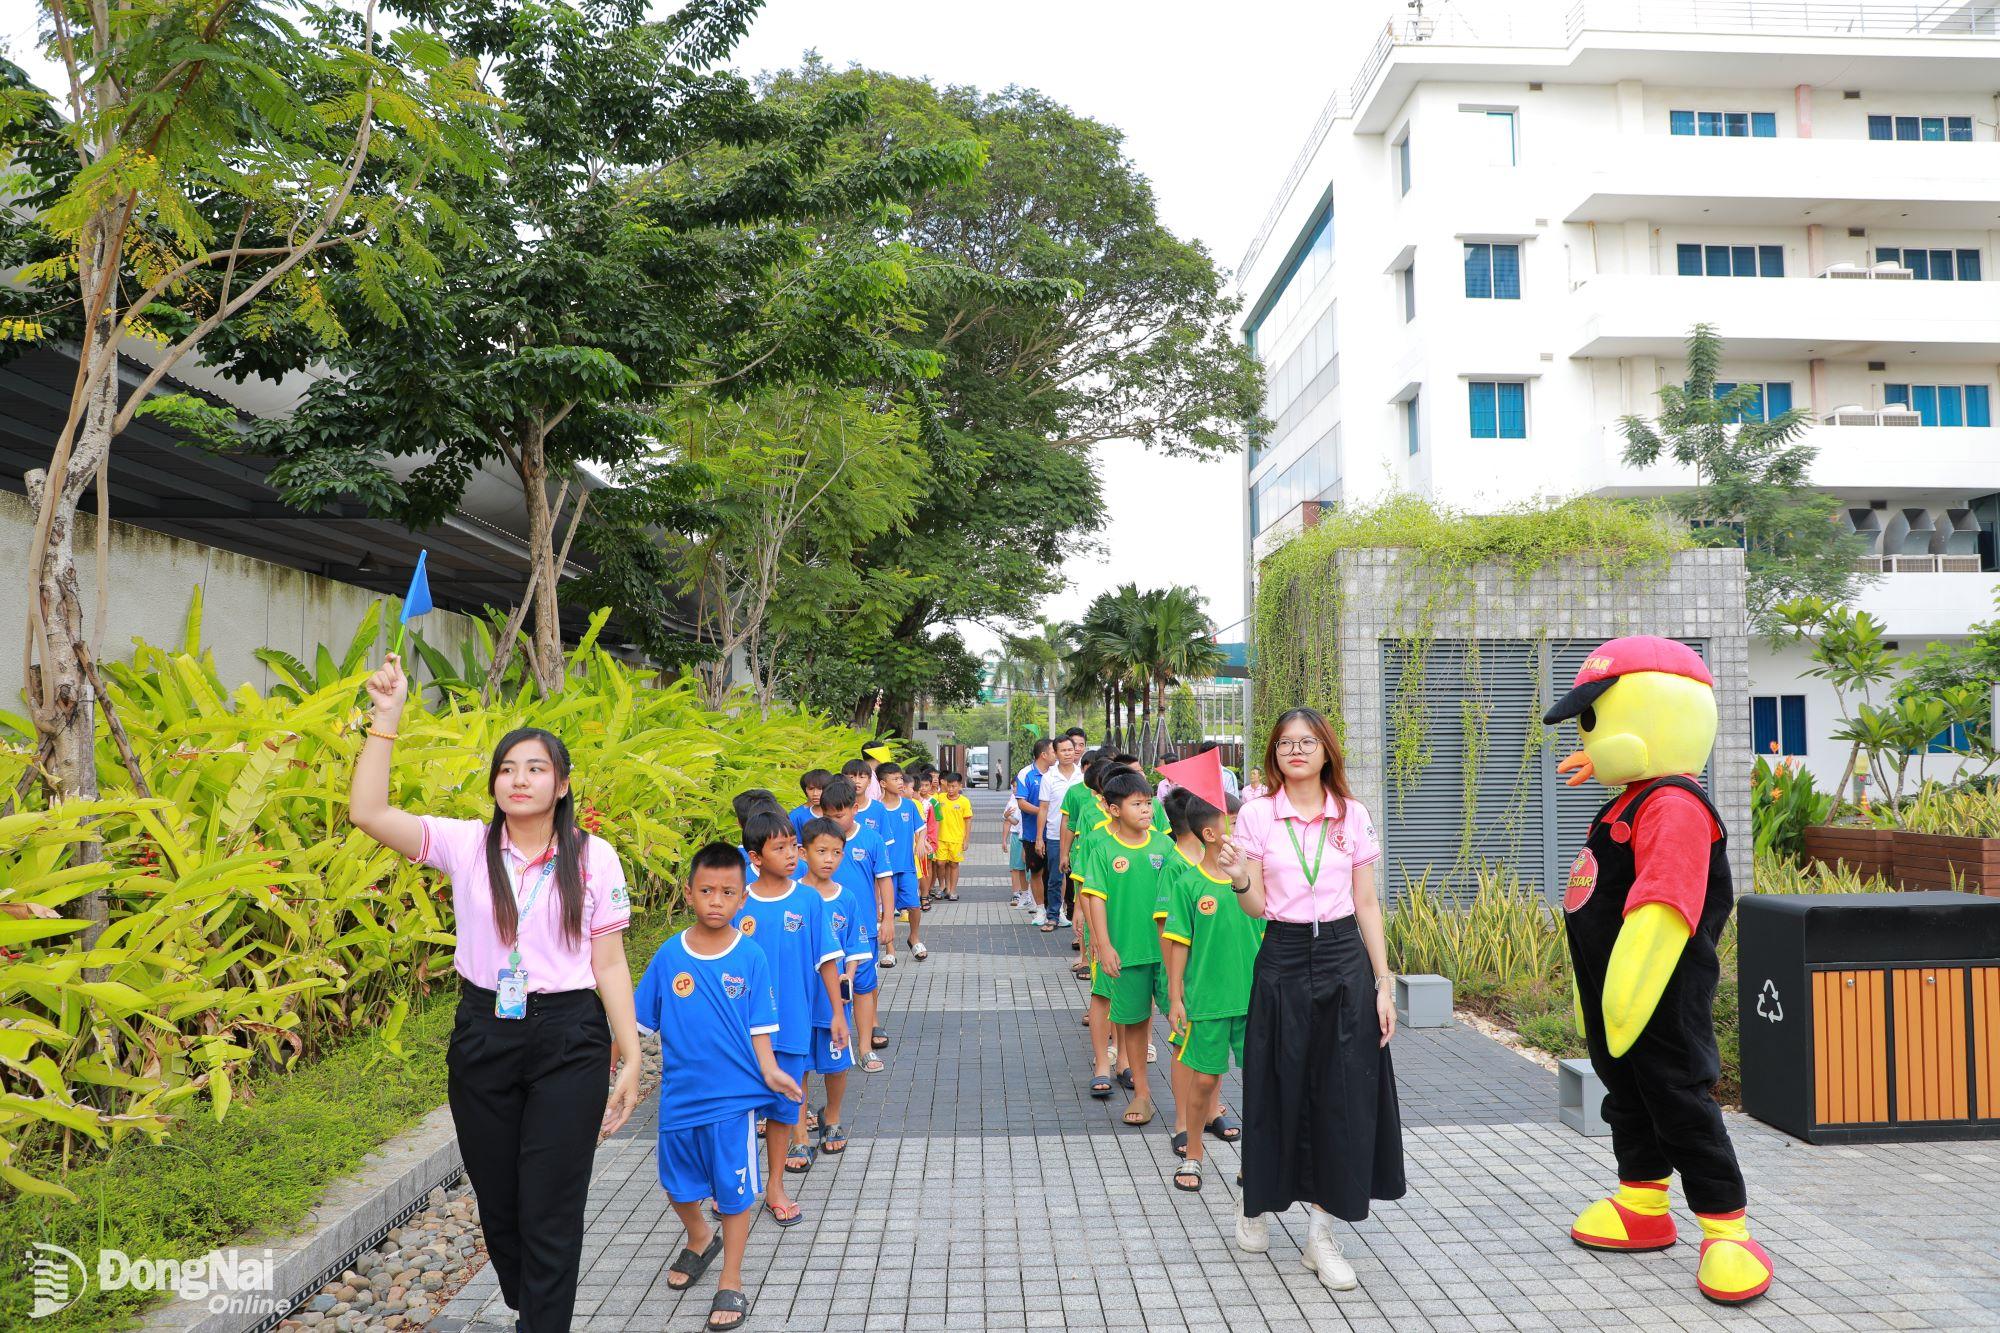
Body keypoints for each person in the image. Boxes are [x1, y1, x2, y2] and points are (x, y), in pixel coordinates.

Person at [348, 654, 642, 1333]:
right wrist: (385, 719)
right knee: (501, 1203)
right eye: (508, 767)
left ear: (562, 784)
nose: (520, 777)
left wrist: (629, 1054)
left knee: (553, 1204)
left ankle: (542, 1319)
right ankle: (529, 1298)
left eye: (536, 766)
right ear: (494, 783)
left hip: (570, 1036)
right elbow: (367, 811)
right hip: (484, 1030)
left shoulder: (595, 857)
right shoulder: (464, 844)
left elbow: (610, 963)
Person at [1224, 706, 1404, 1291]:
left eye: (1307, 742)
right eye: (1284, 744)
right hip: (1280, 956)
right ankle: (1257, 1204)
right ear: (1274, 755)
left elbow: (1368, 905)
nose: (1296, 751)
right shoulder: (1256, 815)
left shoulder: (1352, 815)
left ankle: (1321, 1232)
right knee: (1275, 1082)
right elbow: (1253, 907)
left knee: (1343, 1095)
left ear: (1327, 749)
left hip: (1343, 961)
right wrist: (1239, 878)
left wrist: (1383, 981)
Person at [633, 842, 803, 1332]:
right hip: (680, 1097)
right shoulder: (669, 955)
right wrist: (616, 1067)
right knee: (677, 1185)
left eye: (727, 892)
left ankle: (731, 1277)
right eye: (706, 890)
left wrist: (771, 1072)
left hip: (734, 1099)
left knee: (733, 1193)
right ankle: (698, 1237)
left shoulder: (750, 956)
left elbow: (760, 1026)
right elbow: (641, 1022)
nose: (716, 900)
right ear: (689, 893)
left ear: (742, 898)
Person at [734, 812, 844, 1226]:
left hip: (793, 1023)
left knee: (784, 1108)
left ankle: (776, 1185)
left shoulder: (808, 900)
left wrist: (837, 1013)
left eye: (792, 847)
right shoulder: (738, 899)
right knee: (737, 1109)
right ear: (755, 857)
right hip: (742, 1029)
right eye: (778, 848)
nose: (791, 856)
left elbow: (827, 961)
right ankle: (733, 1184)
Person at [1161, 789, 1259, 1194]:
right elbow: (1178, 942)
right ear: (1211, 833)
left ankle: (1256, 1160)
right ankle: (1194, 1154)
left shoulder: (1255, 879)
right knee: (1203, 1081)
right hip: (1207, 1002)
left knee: (1260, 1083)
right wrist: (1176, 997)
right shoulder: (1188, 883)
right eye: (1233, 823)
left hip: (1256, 1000)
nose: (1240, 830)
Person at [1075, 768, 1176, 1128]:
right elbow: (1094, 898)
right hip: (1127, 953)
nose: (1146, 810)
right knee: (1134, 1024)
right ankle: (1142, 1095)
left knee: (1184, 1023)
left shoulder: (1165, 846)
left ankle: (1203, 1100)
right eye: (1137, 804)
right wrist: (1102, 945)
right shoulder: (1102, 849)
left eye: (1148, 803)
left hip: (1169, 955)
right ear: (1115, 809)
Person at [797, 817, 868, 1159]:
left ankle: (833, 1116)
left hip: (833, 1001)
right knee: (797, 1065)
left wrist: (848, 978)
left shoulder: (847, 899)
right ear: (803, 853)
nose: (829, 859)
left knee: (836, 1063)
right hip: (797, 998)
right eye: (821, 851)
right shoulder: (791, 896)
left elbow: (854, 946)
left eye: (836, 852)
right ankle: (798, 1131)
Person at [813, 777, 892, 1068]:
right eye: (828, 815)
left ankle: (864, 1046)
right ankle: (830, 1049)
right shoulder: (816, 844)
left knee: (862, 986)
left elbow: (884, 881)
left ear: (855, 808)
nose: (833, 821)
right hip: (823, 932)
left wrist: (887, 921)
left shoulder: (871, 839)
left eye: (839, 815)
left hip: (862, 930)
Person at [871, 762, 927, 963]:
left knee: (914, 906)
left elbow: (920, 827)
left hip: (907, 867)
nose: (900, 783)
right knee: (887, 909)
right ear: (883, 784)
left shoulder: (909, 805)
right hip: (884, 870)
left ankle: (914, 937)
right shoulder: (876, 808)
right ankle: (890, 950)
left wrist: (921, 841)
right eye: (895, 779)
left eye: (901, 778)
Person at [1035, 737, 1084, 932]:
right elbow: (1043, 808)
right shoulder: (1049, 777)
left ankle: (1076, 916)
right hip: (1056, 834)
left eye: (1071, 749)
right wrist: (1040, 837)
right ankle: (1053, 915)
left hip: (1081, 834)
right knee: (1055, 877)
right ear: (1055, 753)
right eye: (1063, 750)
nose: (1068, 753)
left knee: (1080, 877)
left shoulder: (1082, 776)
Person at [1014, 738, 1054, 898]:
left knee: (1057, 873)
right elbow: (1022, 803)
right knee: (1036, 872)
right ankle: (1040, 909)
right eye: (1054, 751)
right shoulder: (1025, 774)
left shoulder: (1057, 773)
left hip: (1055, 833)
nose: (1057, 755)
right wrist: (1043, 812)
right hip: (1032, 834)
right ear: (1043, 755)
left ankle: (1057, 911)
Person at [934, 771, 972, 902]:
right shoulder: (940, 798)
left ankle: (952, 890)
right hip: (941, 838)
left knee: (954, 864)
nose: (951, 789)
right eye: (949, 786)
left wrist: (966, 840)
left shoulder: (964, 802)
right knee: (940, 863)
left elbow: (968, 821)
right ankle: (942, 886)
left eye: (954, 786)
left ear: (960, 786)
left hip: (956, 839)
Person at [1002, 788, 1030, 908]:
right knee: (1018, 867)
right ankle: (1021, 894)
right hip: (1019, 837)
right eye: (1013, 786)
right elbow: (1014, 821)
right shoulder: (1015, 802)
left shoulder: (1034, 800)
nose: (1015, 789)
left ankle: (1032, 897)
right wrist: (1006, 816)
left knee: (1031, 869)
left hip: (1032, 838)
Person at [790, 770, 832, 839]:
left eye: (820, 789)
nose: (815, 793)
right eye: (811, 789)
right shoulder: (796, 816)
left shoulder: (840, 813)